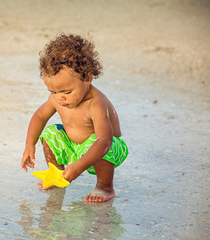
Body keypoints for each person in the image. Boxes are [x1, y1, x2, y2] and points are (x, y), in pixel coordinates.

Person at [20, 33, 129, 202]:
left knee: (98, 142)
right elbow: (40, 116)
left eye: (67, 92)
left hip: (105, 149)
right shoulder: (57, 98)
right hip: (75, 146)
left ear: (87, 78)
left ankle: (105, 187)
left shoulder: (95, 104)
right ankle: (56, 175)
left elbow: (105, 141)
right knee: (50, 133)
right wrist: (29, 144)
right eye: (53, 92)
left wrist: (78, 167)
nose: (59, 98)